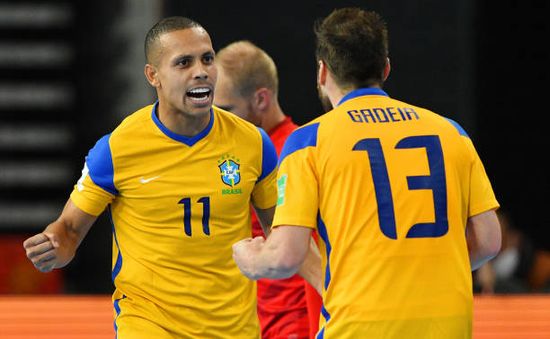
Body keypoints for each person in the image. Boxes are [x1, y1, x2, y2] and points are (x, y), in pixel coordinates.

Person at [233, 7, 502, 338]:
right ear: (386, 67)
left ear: (322, 72)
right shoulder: (451, 132)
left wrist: (250, 259)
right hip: (447, 325)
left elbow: (287, 256)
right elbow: (489, 242)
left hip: (358, 327)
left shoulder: (308, 142)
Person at [23, 16, 282, 338]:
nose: (200, 71)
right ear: (153, 76)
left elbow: (281, 233)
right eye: (184, 62)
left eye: (207, 58)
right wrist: (53, 247)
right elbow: (70, 230)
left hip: (233, 328)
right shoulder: (118, 148)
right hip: (148, 323)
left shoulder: (253, 143)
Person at [214, 40, 322, 339]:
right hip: (252, 323)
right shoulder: (234, 153)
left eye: (226, 110)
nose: (216, 121)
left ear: (261, 99)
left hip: (294, 324)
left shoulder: (297, 153)